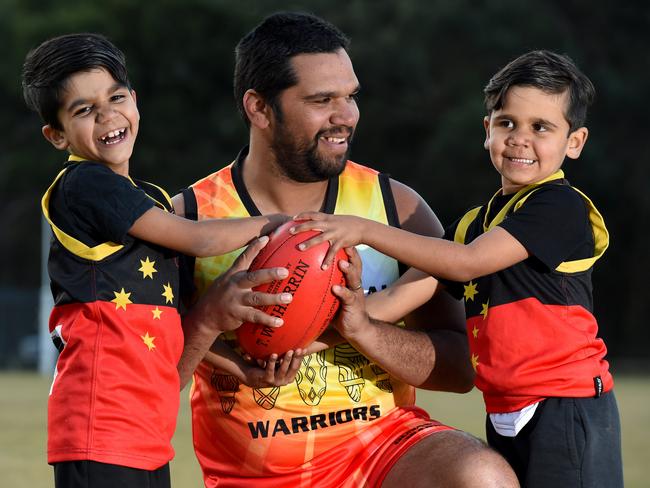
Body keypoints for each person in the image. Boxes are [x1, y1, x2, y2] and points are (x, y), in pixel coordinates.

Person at [174, 12, 518, 488]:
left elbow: (461, 368)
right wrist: (211, 316)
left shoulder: (397, 209)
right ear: (259, 108)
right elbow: (152, 377)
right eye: (322, 100)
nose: (347, 116)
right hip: (252, 477)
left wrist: (363, 329)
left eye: (350, 96)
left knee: (481, 476)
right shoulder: (188, 220)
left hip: (383, 452)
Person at [294, 50, 623, 487]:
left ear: (575, 142)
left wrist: (364, 230)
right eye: (507, 122)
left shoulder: (560, 205)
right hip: (505, 409)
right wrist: (300, 341)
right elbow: (396, 299)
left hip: (566, 405)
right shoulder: (473, 224)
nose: (520, 138)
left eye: (541, 127)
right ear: (487, 129)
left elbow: (470, 264)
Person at [22, 33, 302, 488]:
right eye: (84, 110)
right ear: (56, 136)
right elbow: (194, 237)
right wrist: (273, 223)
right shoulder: (83, 184)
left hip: (145, 426)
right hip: (101, 423)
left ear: (134, 100)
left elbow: (177, 322)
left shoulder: (146, 200)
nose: (108, 115)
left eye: (115, 97)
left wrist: (242, 367)